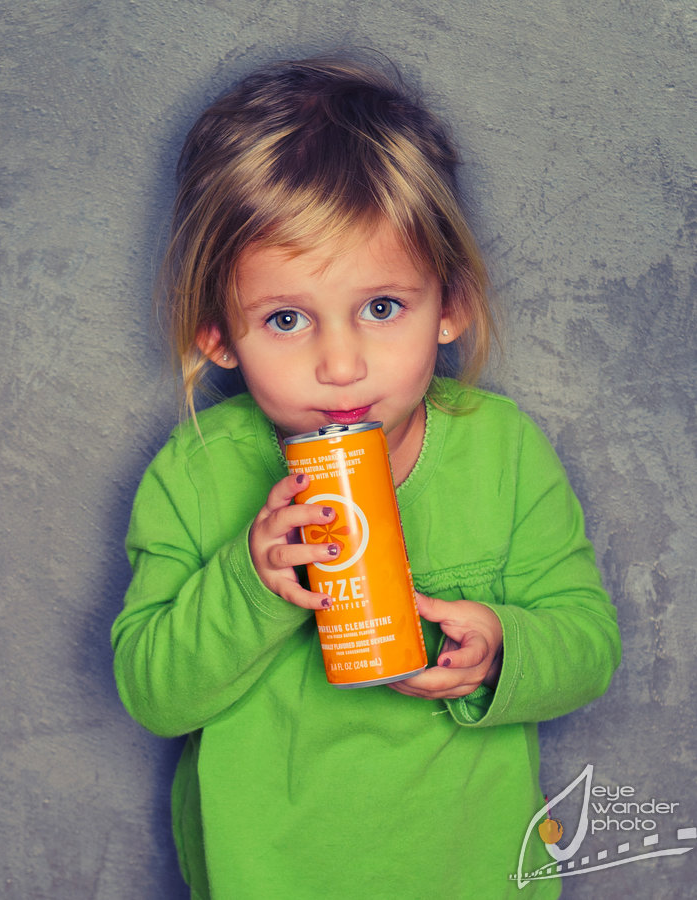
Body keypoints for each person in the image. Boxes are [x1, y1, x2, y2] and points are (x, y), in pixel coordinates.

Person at [111, 54, 621, 899]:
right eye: (285, 319)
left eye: (382, 308)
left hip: (471, 875)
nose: (340, 366)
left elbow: (588, 646)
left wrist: (502, 650)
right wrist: (254, 580)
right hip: (267, 878)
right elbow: (153, 694)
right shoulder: (197, 473)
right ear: (218, 337)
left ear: (449, 305)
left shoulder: (504, 453)